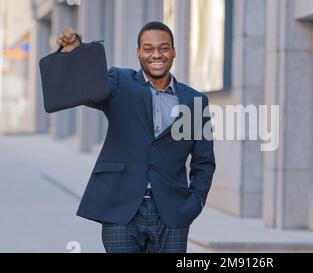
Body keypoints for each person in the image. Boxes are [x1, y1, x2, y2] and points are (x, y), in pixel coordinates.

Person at [56, 22, 215, 253]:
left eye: (163, 48)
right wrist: (77, 53)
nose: (156, 55)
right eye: (148, 48)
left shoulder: (196, 101)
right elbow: (85, 87)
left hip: (172, 212)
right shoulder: (119, 82)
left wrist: (195, 203)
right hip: (121, 209)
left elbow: (204, 161)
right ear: (138, 53)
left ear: (173, 51)